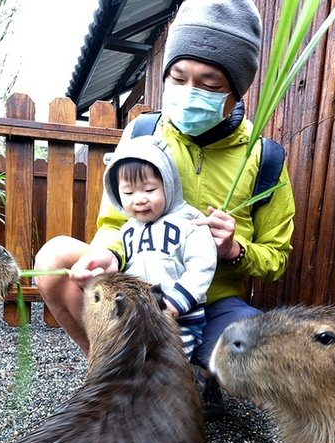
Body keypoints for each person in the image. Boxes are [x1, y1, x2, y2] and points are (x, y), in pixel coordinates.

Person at [34, 0, 296, 419]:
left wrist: (235, 249)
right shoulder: (143, 135)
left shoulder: (263, 159)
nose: (190, 92)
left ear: (237, 89)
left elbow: (277, 257)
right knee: (53, 259)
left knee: (270, 360)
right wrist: (108, 253)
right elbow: (115, 221)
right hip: (143, 286)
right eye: (178, 77)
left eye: (209, 83)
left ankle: (202, 377)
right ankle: (115, 371)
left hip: (212, 303)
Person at [88, 135, 217, 358]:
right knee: (138, 359)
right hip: (141, 316)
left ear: (168, 184)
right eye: (128, 193)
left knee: (173, 361)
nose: (139, 199)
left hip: (182, 317)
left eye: (149, 190)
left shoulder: (189, 221)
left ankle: (192, 386)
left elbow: (202, 265)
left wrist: (175, 303)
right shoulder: (128, 230)